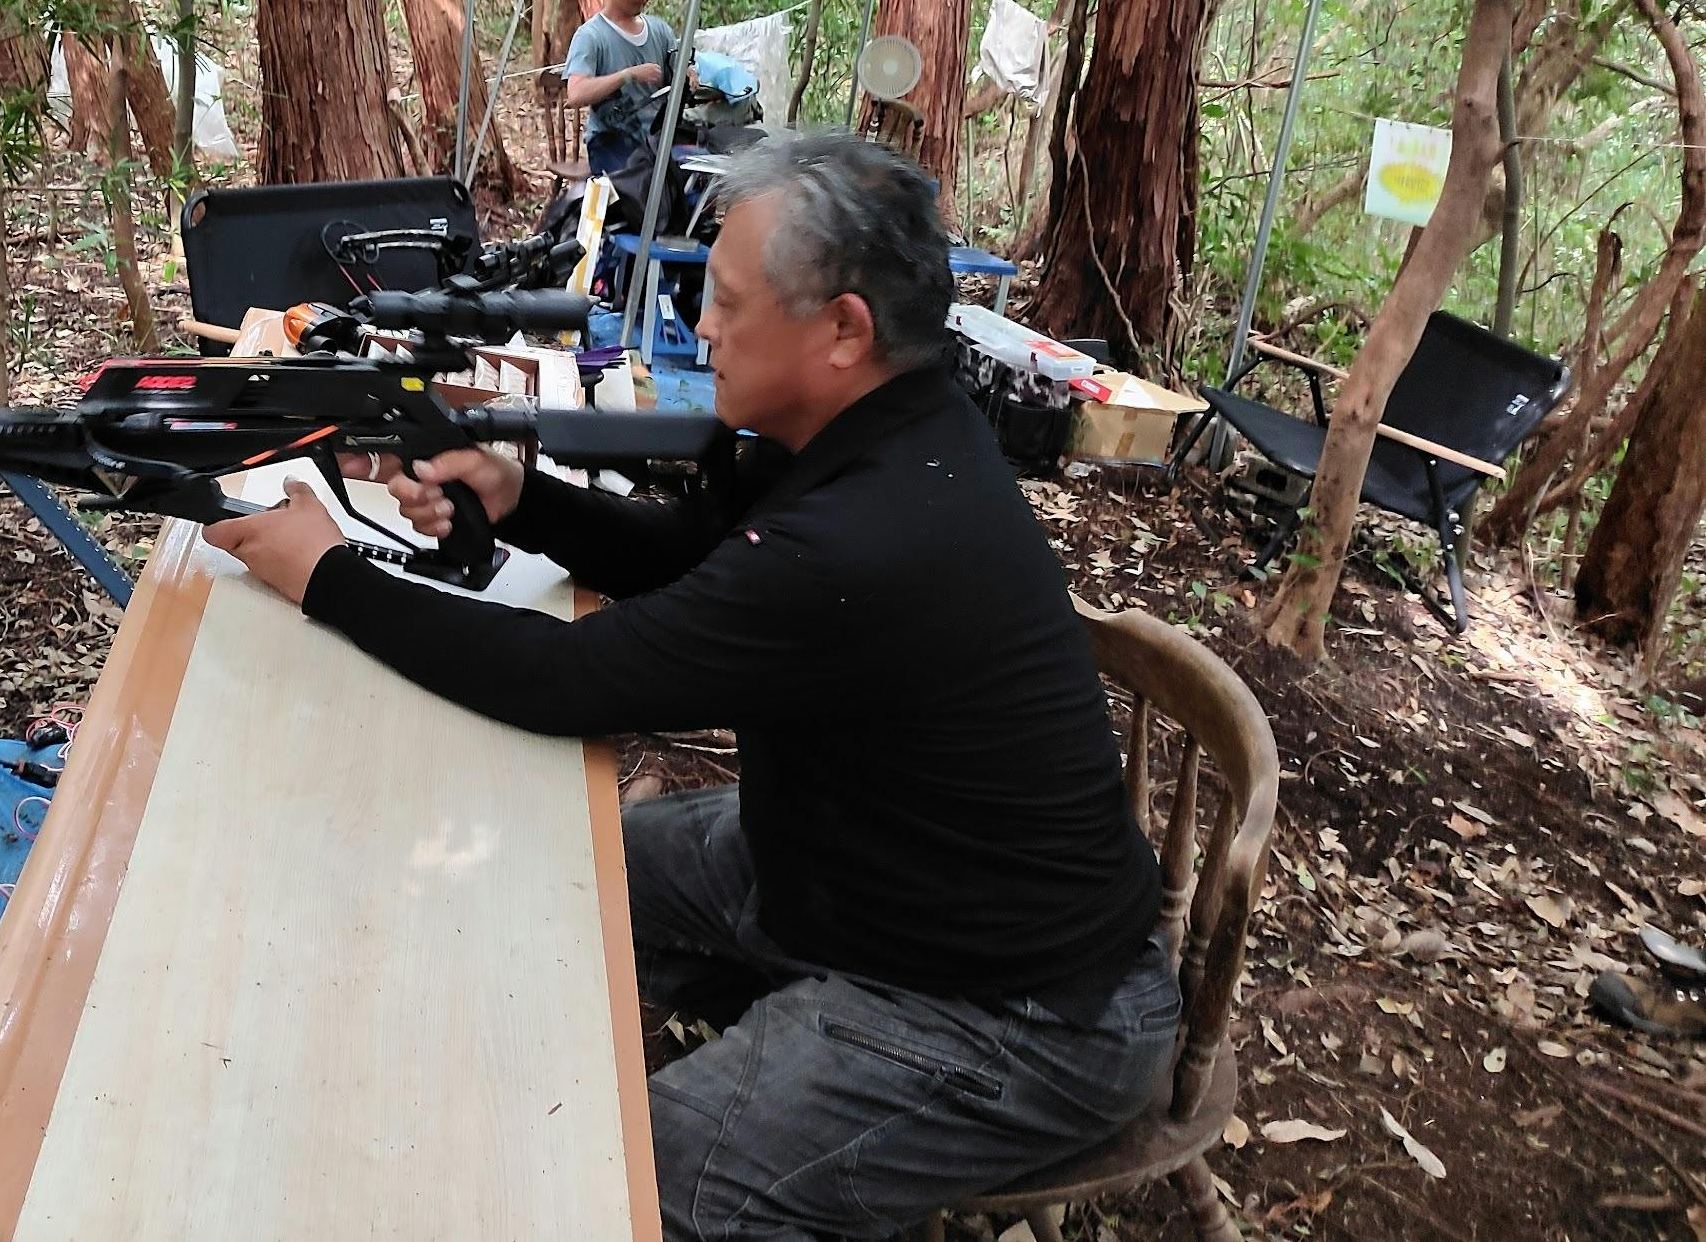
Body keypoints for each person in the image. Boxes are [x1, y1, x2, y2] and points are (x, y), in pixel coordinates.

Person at [205, 132, 1175, 1241]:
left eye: (726, 300)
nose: (699, 325)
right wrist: (521, 497)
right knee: (546, 875)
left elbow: (570, 680)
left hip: (1019, 1008)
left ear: (843, 330)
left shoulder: (865, 533)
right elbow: (698, 559)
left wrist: (327, 576)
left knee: (630, 1184)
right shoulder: (883, 429)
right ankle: (768, 1036)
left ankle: (786, 1076)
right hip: (856, 871)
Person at [567, 0, 682, 176]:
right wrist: (628, 75)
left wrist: (689, 74)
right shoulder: (591, 36)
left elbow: (679, 72)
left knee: (697, 177)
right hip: (611, 141)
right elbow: (576, 94)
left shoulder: (661, 31)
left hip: (658, 137)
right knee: (642, 184)